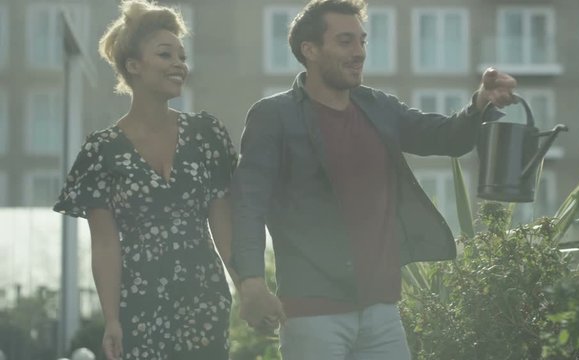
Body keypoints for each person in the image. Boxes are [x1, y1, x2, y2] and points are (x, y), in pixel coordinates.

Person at [230, 0, 517, 359]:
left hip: (382, 310)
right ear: (310, 50)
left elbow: (447, 137)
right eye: (346, 41)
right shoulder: (274, 116)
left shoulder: (378, 107)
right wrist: (251, 281)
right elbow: (248, 203)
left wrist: (480, 103)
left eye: (363, 41)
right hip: (313, 312)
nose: (360, 52)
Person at [53, 1, 237, 359]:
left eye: (182, 57)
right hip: (138, 305)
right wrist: (111, 321)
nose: (179, 65)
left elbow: (223, 224)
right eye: (166, 54)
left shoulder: (205, 134)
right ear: (133, 66)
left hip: (204, 297)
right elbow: (105, 245)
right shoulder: (101, 150)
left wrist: (248, 287)